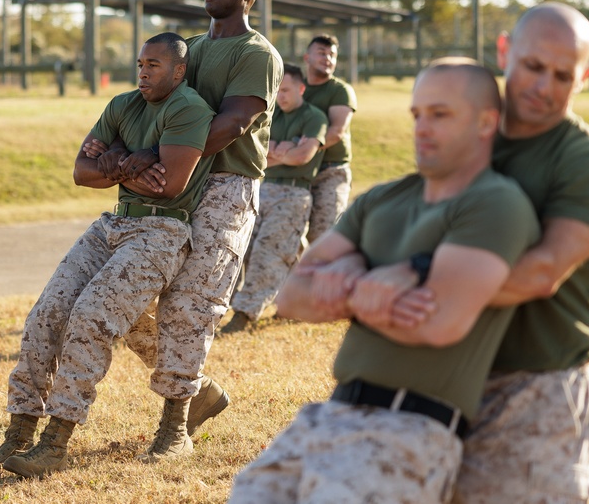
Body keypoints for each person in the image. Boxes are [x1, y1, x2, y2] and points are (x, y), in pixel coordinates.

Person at [226, 58, 541, 503]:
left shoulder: (496, 203)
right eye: (417, 115)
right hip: (327, 416)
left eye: (441, 114)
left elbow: (438, 321)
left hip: (410, 428)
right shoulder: (382, 200)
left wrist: (347, 281)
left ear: (487, 122)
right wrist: (369, 288)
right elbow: (294, 295)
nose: (422, 128)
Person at [0, 32, 215, 478]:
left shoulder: (189, 109)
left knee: (90, 318)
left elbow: (170, 185)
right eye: (140, 63)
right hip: (113, 222)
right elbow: (81, 172)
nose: (143, 72)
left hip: (161, 231)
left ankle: (55, 444)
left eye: (154, 65)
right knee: (46, 313)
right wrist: (128, 161)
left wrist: (113, 162)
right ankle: (18, 435)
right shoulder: (123, 105)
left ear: (179, 71)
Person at [87, 0, 283, 460]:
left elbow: (233, 123)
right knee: (125, 300)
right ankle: (199, 390)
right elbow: (150, 104)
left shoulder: (256, 53)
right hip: (164, 186)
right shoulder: (187, 50)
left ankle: (175, 425)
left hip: (223, 186)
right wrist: (118, 153)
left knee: (190, 304)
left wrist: (152, 155)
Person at [448, 2, 589, 502]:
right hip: (451, 378)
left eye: (562, 75)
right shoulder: (468, 137)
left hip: (542, 387)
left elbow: (541, 272)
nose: (543, 86)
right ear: (505, 50)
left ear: (585, 77)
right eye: (532, 66)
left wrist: (413, 284)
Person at [221, 63, 327, 334]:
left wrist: (276, 151)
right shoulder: (271, 115)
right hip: (264, 189)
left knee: (269, 252)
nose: (281, 96)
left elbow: (303, 156)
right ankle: (296, 302)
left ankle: (244, 314)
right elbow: (256, 155)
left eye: (287, 90)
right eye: (278, 91)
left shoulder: (314, 117)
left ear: (301, 89)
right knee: (245, 248)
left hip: (294, 193)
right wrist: (285, 149)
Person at [300, 34, 357, 243]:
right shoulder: (297, 89)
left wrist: (300, 151)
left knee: (323, 233)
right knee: (288, 233)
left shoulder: (340, 90)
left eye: (332, 55)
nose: (328, 59)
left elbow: (336, 132)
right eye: (322, 53)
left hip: (330, 171)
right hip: (297, 171)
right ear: (307, 58)